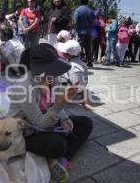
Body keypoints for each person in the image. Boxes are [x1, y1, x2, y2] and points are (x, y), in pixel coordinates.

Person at [7, 43, 93, 182]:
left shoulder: (53, 79)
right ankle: (56, 152)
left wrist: (65, 119)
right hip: (27, 130)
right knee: (58, 145)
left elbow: (55, 106)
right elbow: (39, 122)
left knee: (86, 123)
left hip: (47, 120)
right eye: (50, 69)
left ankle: (62, 160)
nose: (53, 73)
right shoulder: (23, 87)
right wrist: (60, 105)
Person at [57, 40, 94, 110]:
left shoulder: (71, 67)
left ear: (69, 55)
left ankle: (85, 100)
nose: (62, 53)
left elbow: (76, 85)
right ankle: (86, 100)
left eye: (64, 52)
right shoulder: (81, 63)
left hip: (72, 92)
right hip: (80, 88)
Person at [73, 0, 94, 67]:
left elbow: (75, 21)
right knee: (88, 48)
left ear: (80, 2)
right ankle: (90, 63)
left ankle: (77, 61)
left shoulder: (78, 10)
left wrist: (74, 29)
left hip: (80, 32)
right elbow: (93, 22)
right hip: (88, 32)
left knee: (79, 47)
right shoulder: (90, 11)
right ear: (87, 2)